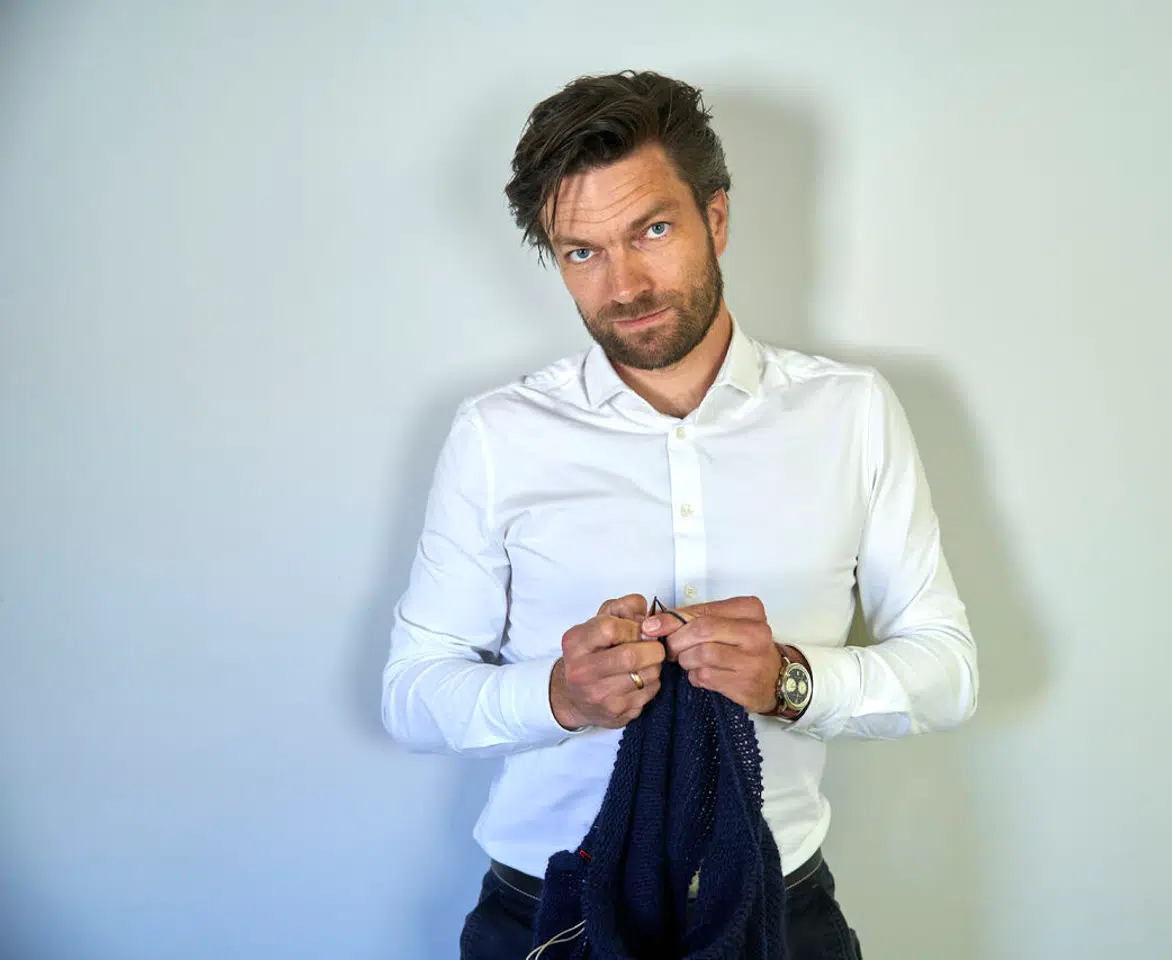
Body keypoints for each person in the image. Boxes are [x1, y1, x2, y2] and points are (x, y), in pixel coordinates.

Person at [382, 69, 979, 959]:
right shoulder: (497, 434)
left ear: (717, 219)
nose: (623, 284)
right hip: (548, 915)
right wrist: (559, 696)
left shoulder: (851, 413)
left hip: (780, 912)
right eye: (582, 252)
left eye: (651, 230)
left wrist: (789, 680)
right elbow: (412, 695)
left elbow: (948, 670)